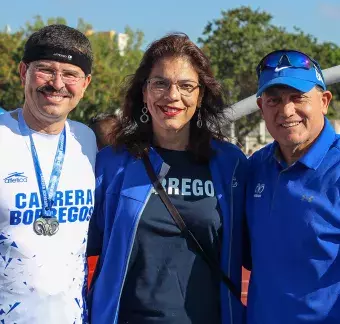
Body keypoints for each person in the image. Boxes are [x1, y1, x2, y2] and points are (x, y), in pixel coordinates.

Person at [87, 33, 248, 324]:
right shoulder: (113, 163)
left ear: (200, 96)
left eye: (186, 86)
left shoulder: (230, 163)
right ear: (144, 92)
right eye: (160, 83)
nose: (172, 95)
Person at [0, 24, 97, 323]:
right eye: (45, 70)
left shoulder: (88, 141)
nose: (57, 84)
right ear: (23, 72)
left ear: (86, 83)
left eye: (70, 74)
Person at [246, 49, 340, 323]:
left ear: (324, 101)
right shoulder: (255, 168)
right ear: (261, 106)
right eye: (274, 100)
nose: (286, 111)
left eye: (298, 97)